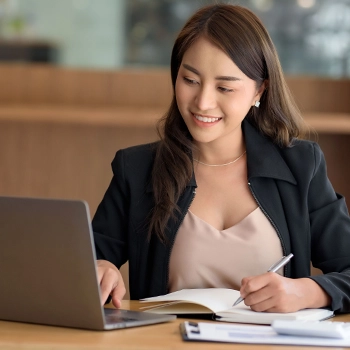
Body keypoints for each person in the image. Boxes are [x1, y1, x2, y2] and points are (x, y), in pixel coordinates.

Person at [92, 4, 350, 314]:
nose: (203, 102)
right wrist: (100, 267)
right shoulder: (136, 169)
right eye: (190, 80)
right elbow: (86, 259)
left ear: (260, 91)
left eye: (225, 87)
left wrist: (308, 292)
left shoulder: (301, 165)